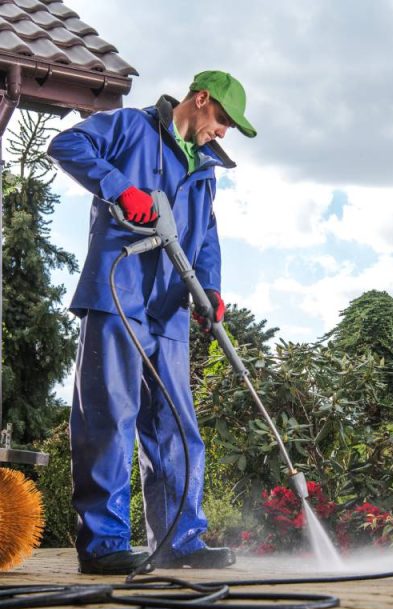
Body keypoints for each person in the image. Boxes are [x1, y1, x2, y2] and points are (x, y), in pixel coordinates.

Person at [48, 70, 256, 575]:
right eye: (222, 119)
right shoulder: (130, 128)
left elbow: (205, 235)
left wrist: (210, 288)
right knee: (109, 418)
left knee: (176, 427)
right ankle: (103, 546)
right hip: (118, 293)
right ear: (200, 99)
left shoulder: (204, 168)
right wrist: (121, 189)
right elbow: (66, 144)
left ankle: (180, 541)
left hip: (169, 308)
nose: (223, 131)